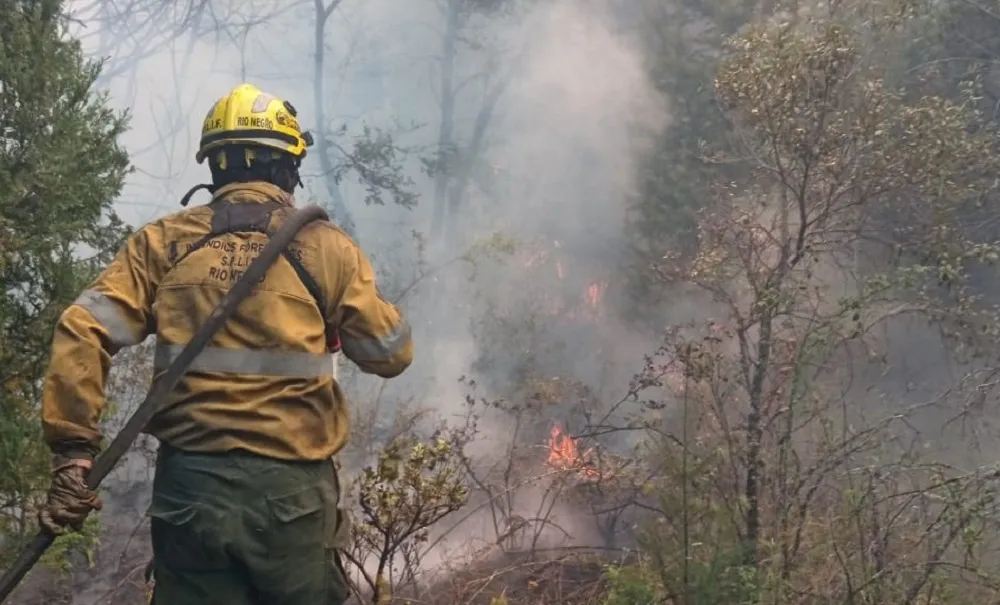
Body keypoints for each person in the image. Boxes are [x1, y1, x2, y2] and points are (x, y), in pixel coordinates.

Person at [36, 83, 413, 605]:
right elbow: (389, 355)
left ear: (215, 167)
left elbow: (84, 327)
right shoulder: (327, 248)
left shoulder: (162, 243)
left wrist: (73, 455)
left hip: (191, 491)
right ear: (287, 169)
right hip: (292, 496)